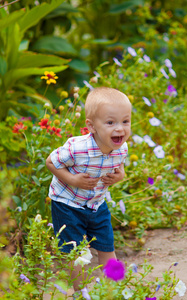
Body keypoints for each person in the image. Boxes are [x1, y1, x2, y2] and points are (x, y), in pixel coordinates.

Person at [46, 86, 131, 296]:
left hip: (96, 204)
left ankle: (115, 289)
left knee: (106, 245)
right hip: (67, 203)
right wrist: (73, 179)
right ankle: (82, 293)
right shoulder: (77, 148)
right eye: (110, 122)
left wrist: (119, 176)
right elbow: (51, 162)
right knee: (74, 251)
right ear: (91, 126)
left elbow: (120, 168)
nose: (119, 129)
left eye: (125, 121)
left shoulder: (122, 148)